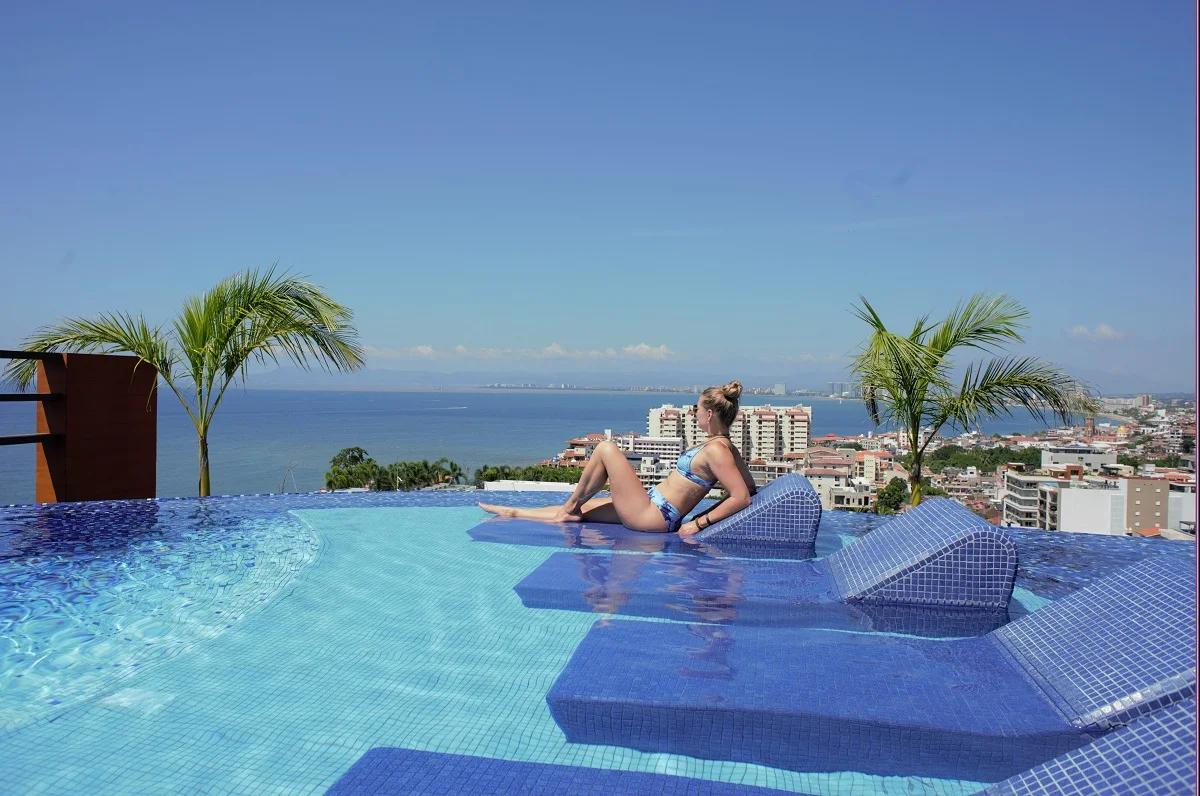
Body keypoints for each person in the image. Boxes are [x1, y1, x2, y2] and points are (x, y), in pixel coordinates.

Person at [478, 381, 758, 535]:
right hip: (650, 505)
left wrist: (698, 524)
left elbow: (741, 497)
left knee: (606, 449)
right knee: (581, 515)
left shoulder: (718, 451)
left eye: (696, 408)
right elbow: (750, 487)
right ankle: (515, 512)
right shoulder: (725, 447)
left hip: (654, 516)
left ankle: (569, 506)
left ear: (709, 414)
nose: (693, 413)